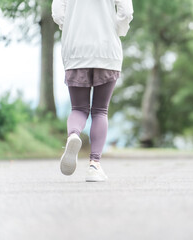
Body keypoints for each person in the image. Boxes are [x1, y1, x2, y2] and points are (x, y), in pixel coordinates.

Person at [51, 0, 134, 182]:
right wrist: (118, 30)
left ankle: (73, 135)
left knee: (78, 108)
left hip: (75, 50)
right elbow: (126, 12)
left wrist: (72, 26)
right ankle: (94, 165)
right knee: (100, 110)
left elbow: (57, 12)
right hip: (107, 49)